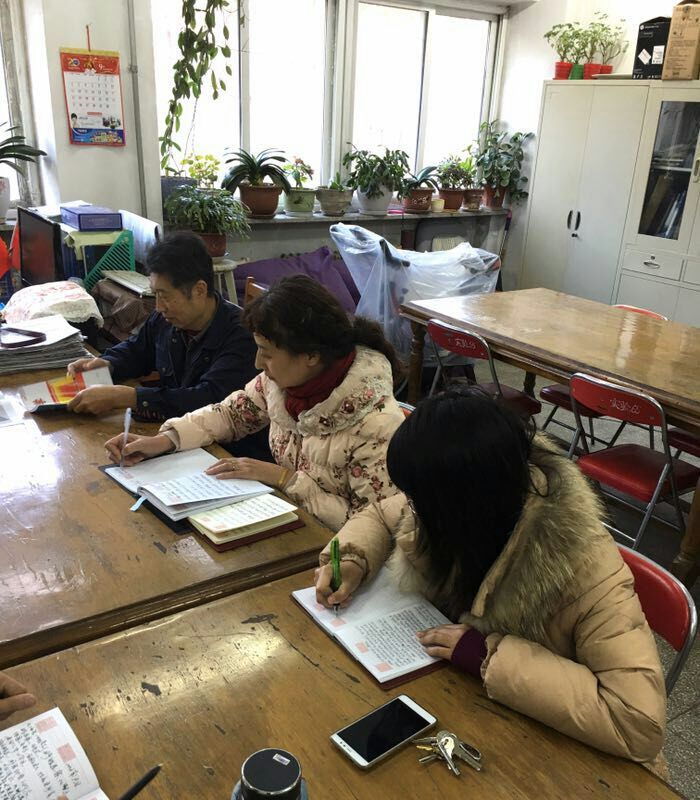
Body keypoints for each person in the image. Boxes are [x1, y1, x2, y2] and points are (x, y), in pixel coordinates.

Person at [315, 388, 666, 764]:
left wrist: (488, 656)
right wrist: (351, 558)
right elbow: (382, 514)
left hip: (547, 752)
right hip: (458, 700)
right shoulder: (462, 492)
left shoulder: (586, 565)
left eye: (420, 501)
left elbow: (638, 722)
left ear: (466, 508)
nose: (412, 508)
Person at [105, 275, 406, 532]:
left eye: (267, 353)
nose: (258, 363)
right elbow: (229, 415)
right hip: (289, 519)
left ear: (312, 355)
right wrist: (166, 440)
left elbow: (375, 526)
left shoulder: (377, 425)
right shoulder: (281, 384)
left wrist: (285, 479)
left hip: (336, 554)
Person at [66, 232, 259, 423]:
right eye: (155, 294)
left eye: (165, 296)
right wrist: (107, 364)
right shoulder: (166, 319)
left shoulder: (242, 336)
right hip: (177, 429)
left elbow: (208, 400)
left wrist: (129, 397)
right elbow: (138, 350)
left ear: (199, 290)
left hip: (216, 439)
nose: (158, 307)